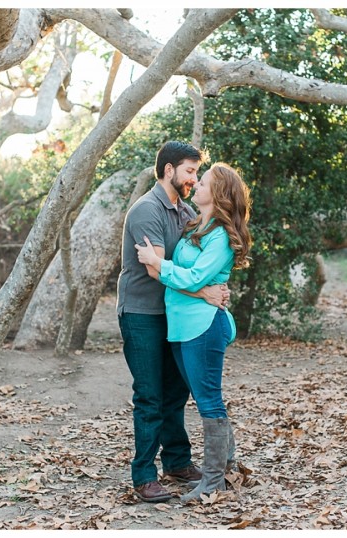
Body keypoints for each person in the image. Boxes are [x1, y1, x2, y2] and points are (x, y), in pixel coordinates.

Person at [117, 141, 229, 503]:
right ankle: (144, 476)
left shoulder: (185, 213)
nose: (193, 180)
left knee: (176, 393)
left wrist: (210, 289)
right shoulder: (146, 210)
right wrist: (205, 294)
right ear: (168, 170)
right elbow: (154, 269)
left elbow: (197, 265)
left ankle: (178, 462)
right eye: (189, 171)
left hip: (174, 316)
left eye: (198, 173)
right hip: (142, 314)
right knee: (149, 395)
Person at [135, 162, 252, 503]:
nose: (195, 185)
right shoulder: (193, 224)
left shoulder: (221, 236)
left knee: (208, 402)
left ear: (217, 194)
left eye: (202, 182)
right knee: (204, 399)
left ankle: (213, 481)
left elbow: (194, 278)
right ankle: (227, 466)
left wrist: (157, 263)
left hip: (203, 327)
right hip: (181, 327)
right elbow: (192, 280)